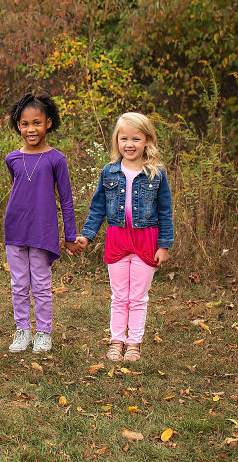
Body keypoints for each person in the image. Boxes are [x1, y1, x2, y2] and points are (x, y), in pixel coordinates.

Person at [76, 112, 174, 362]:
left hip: (146, 240)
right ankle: (117, 340)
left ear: (147, 141)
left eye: (136, 139)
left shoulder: (156, 174)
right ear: (117, 141)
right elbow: (97, 208)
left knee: (138, 297)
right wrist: (87, 236)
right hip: (117, 239)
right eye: (124, 139)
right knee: (119, 296)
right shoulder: (109, 172)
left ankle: (134, 343)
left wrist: (164, 245)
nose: (129, 144)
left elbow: (165, 211)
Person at [4, 92, 78, 355]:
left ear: (48, 122)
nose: (31, 129)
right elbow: (19, 190)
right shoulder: (12, 158)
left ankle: (44, 332)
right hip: (15, 229)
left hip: (42, 231)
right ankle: (23, 330)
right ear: (18, 125)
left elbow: (66, 200)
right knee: (18, 284)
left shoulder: (56, 159)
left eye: (36, 122)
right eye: (25, 124)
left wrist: (70, 235)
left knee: (42, 285)